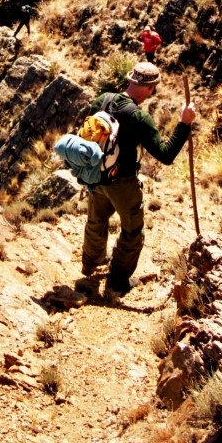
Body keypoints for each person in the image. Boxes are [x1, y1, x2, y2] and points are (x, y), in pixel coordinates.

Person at [80, 60, 195, 296]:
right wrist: (184, 124)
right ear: (150, 88)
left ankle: (90, 263)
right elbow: (165, 154)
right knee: (132, 231)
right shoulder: (138, 117)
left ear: (130, 79)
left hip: (95, 174)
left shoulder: (102, 100)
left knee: (96, 220)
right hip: (122, 182)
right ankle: (117, 281)